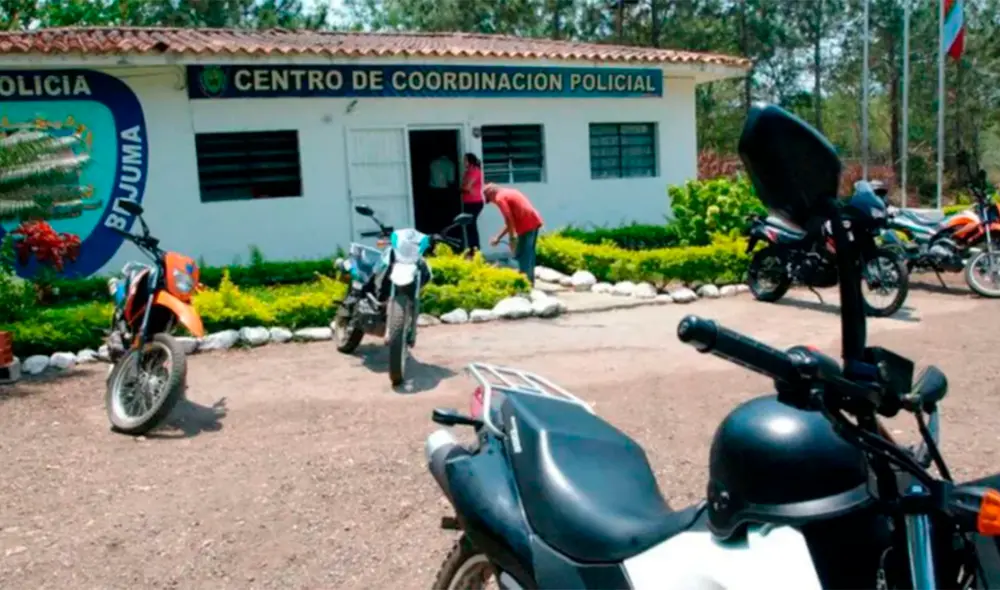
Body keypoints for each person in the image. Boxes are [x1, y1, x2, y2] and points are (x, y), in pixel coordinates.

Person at [485, 183, 543, 285]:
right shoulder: (511, 192)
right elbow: (510, 222)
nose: (493, 202)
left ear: (491, 193)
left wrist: (512, 238)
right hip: (533, 221)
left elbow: (508, 219)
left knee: (524, 255)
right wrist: (499, 237)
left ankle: (525, 283)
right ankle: (529, 281)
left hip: (527, 224)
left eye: (490, 199)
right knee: (528, 254)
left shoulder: (499, 198)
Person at [460, 153, 485, 253]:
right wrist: (464, 188)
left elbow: (466, 187)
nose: (464, 162)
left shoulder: (475, 171)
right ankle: (472, 248)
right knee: (469, 226)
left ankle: (475, 249)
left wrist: (464, 188)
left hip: (475, 202)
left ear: (470, 161)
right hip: (468, 202)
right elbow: (464, 187)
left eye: (465, 160)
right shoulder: (467, 172)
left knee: (471, 225)